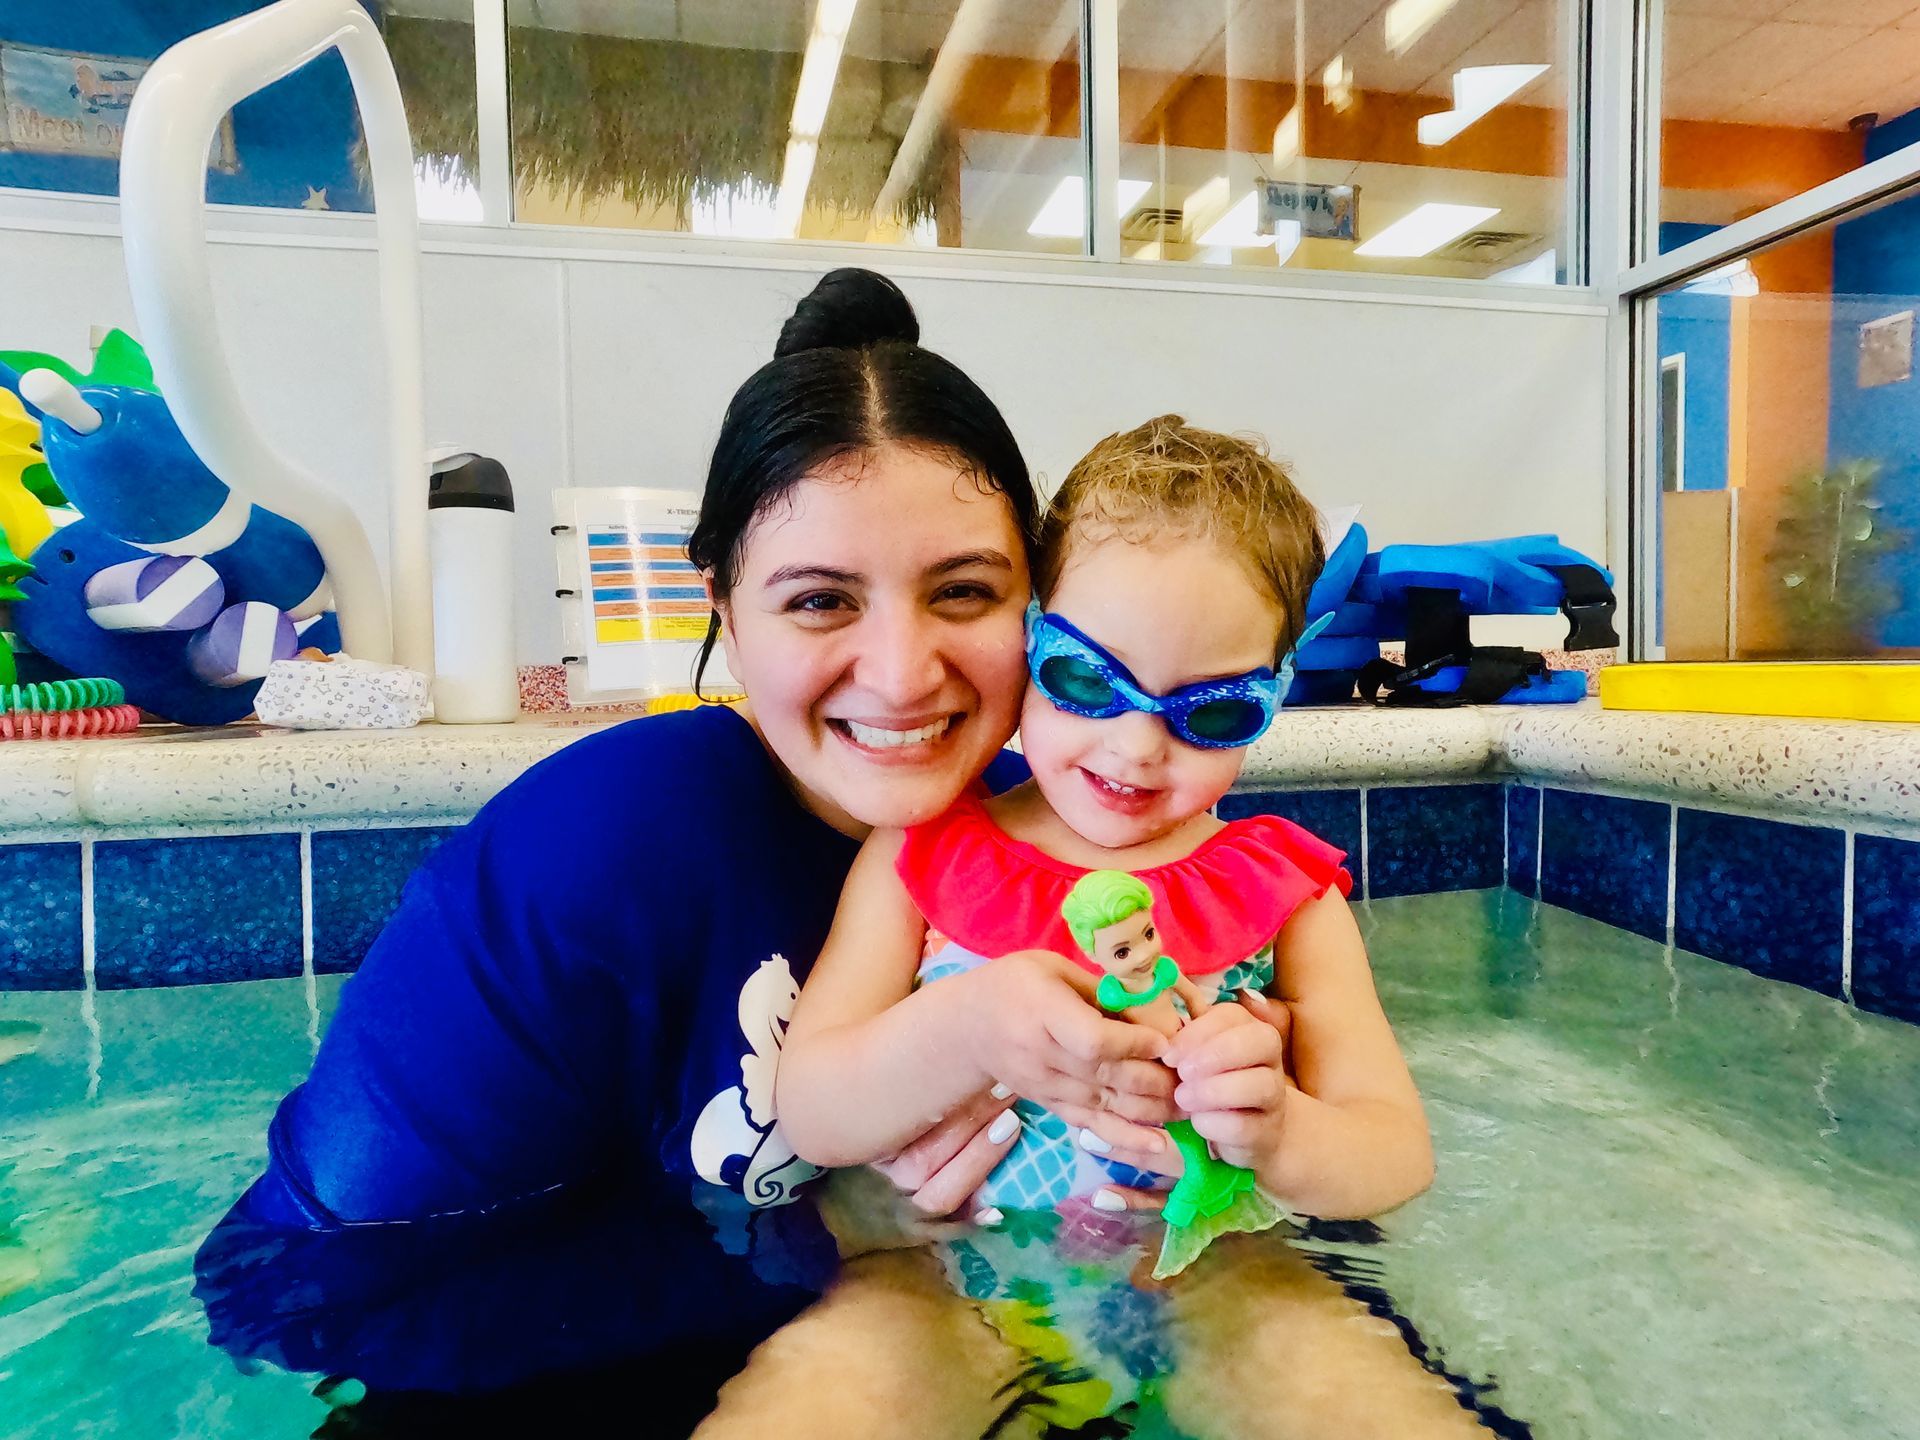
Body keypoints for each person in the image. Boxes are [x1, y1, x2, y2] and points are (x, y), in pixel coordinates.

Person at [192, 270, 1182, 1434]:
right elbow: (288, 1292)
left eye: (964, 592)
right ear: (718, 601)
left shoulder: (1062, 841)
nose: (905, 673)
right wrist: (827, 1238)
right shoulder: (591, 862)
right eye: (820, 603)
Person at [709, 417, 1480, 1439]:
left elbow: (1394, 1152)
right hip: (941, 1286)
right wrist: (965, 1028)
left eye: (1212, 713)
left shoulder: (1287, 892)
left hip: (1217, 1283)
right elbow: (812, 1109)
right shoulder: (924, 855)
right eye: (1085, 679)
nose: (1138, 746)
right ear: (1031, 638)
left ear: (1276, 695)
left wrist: (1283, 1131)